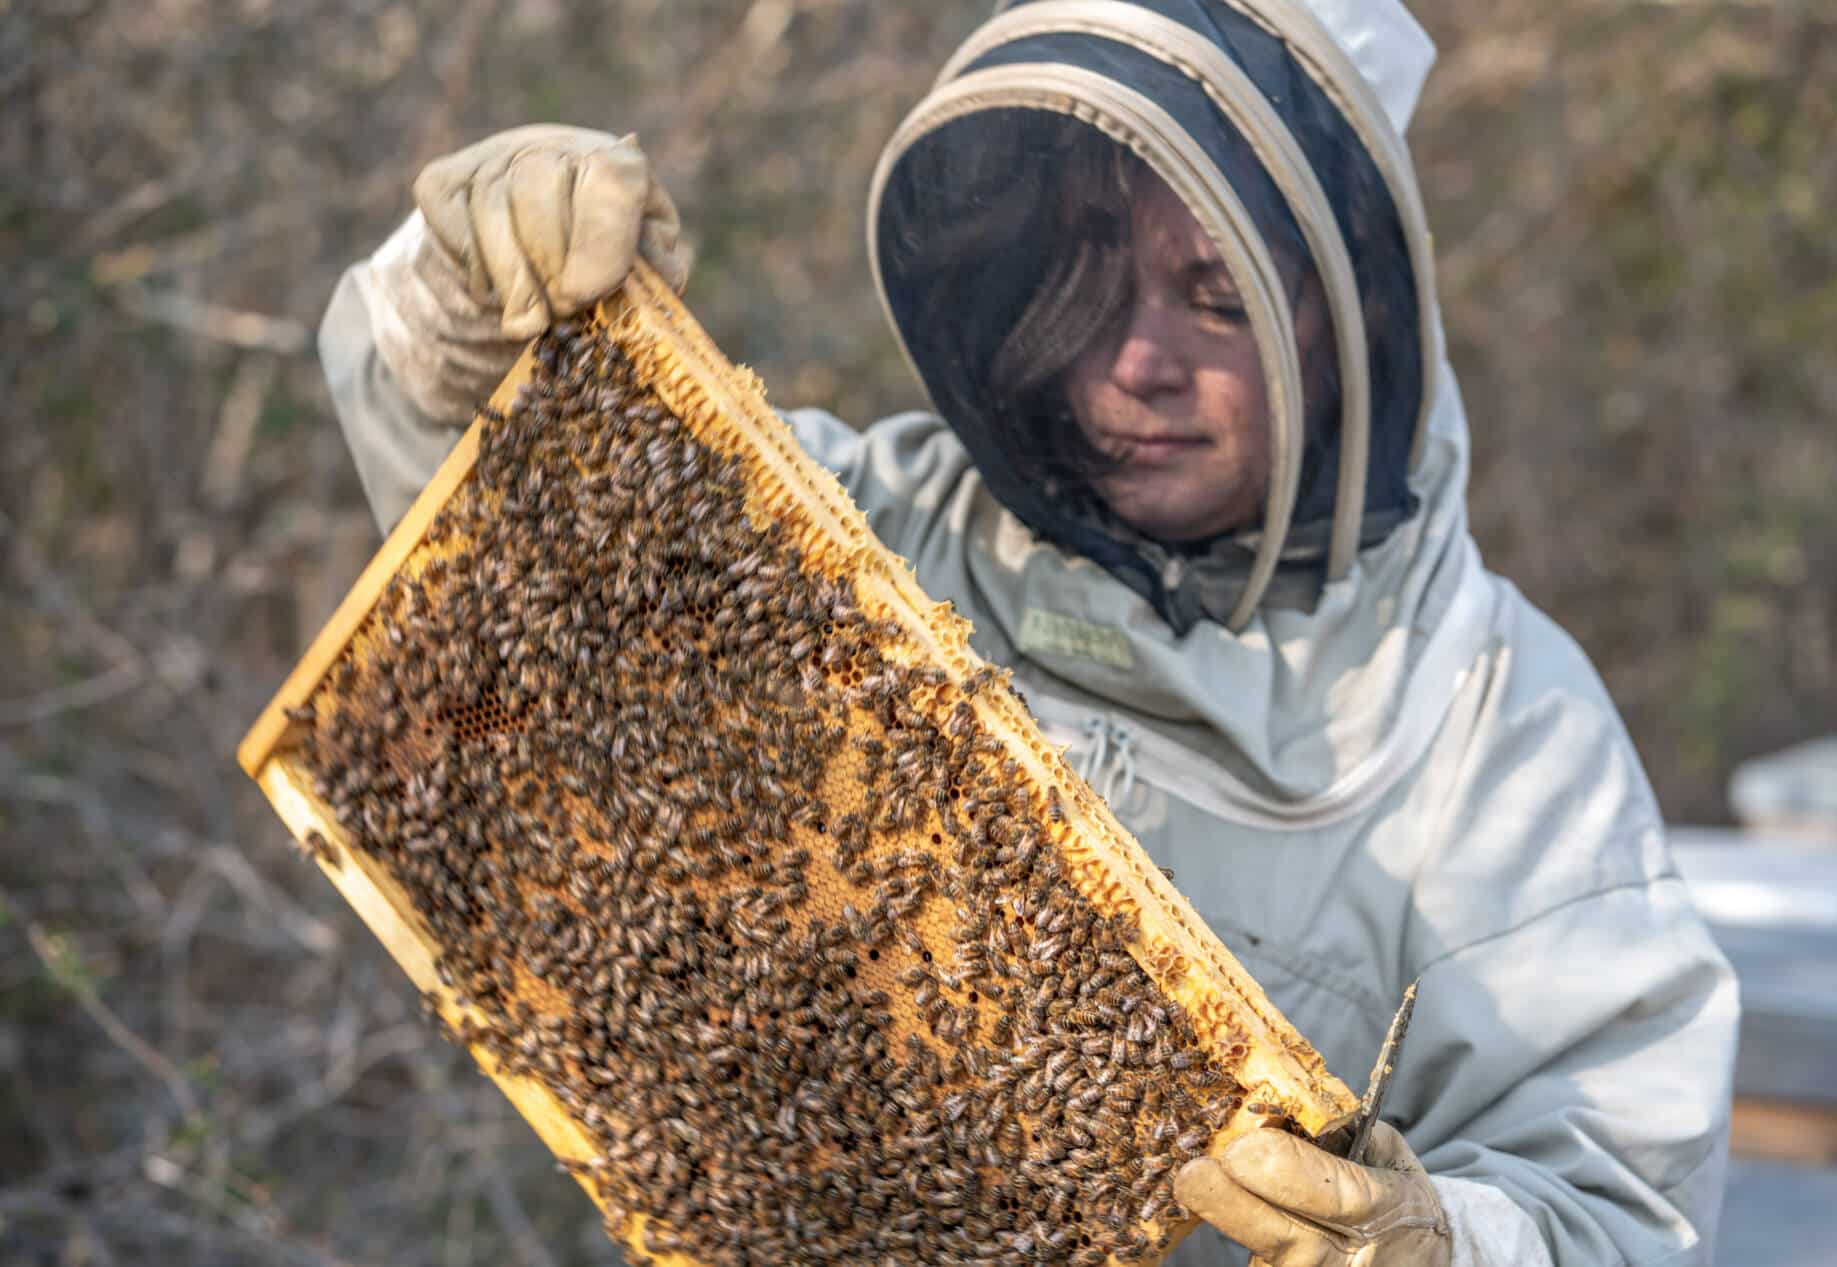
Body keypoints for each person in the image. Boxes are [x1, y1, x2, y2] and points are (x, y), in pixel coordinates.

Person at [317, 1, 1738, 1264]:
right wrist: (472, 302)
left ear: (1345, 324)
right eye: (1088, 282)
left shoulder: (1502, 726)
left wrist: (1451, 1248)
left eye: (1217, 294)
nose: (1135, 360)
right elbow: (513, 565)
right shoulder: (855, 529)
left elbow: (1617, 1200)